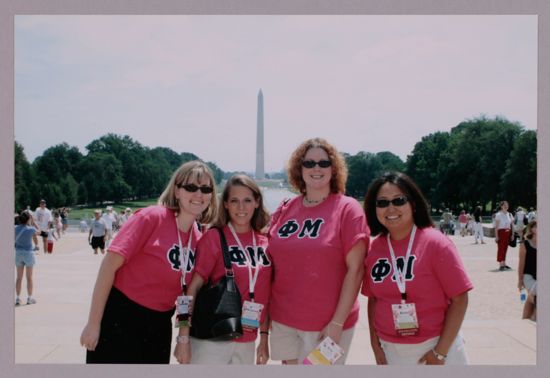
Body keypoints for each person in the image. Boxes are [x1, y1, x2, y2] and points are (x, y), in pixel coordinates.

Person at [80, 160, 218, 364]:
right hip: (121, 318)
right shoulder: (152, 217)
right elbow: (108, 267)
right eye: (191, 187)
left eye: (205, 189)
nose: (199, 194)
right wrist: (93, 323)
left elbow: (186, 298)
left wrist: (183, 339)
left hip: (159, 326)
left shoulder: (199, 238)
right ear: (177, 191)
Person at [266, 138, 369, 365]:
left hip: (326, 325)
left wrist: (337, 324)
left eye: (323, 163)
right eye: (309, 163)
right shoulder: (286, 208)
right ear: (299, 168)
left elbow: (356, 271)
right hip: (284, 320)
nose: (316, 168)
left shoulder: (347, 208)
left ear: (333, 169)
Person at [362, 171, 473, 365]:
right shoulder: (375, 249)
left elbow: (460, 299)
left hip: (436, 346)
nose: (391, 208)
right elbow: (373, 299)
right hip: (391, 350)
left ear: (413, 204)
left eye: (399, 200)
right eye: (382, 202)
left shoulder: (436, 243)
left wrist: (440, 352)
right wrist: (375, 344)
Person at [176, 174, 271, 365]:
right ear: (225, 204)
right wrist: (183, 338)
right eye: (234, 201)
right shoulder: (214, 237)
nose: (241, 208)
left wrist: (264, 339)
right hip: (212, 338)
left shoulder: (265, 242)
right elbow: (191, 290)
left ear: (257, 202)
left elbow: (266, 293)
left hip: (247, 339)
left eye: (247, 200)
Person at [15, 210, 40, 306]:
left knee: (19, 278)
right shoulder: (31, 229)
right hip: (28, 253)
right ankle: (29, 298)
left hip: (18, 253)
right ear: (28, 219)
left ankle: (17, 298)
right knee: (29, 278)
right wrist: (33, 222)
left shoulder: (15, 228)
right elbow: (40, 231)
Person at [517, 220, 537, 320]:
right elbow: (521, 264)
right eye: (537, 226)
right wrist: (520, 280)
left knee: (534, 297)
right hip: (528, 276)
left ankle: (527, 320)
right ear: (532, 229)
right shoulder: (525, 244)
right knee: (538, 296)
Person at [494, 200, 514, 271]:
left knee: (505, 248)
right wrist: (496, 236)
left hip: (508, 232)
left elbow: (511, 225)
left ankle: (504, 263)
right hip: (501, 232)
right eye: (504, 205)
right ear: (501, 206)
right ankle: (501, 264)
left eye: (507, 205)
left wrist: (512, 234)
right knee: (501, 248)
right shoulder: (498, 215)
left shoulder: (509, 214)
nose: (506, 206)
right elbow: (496, 227)